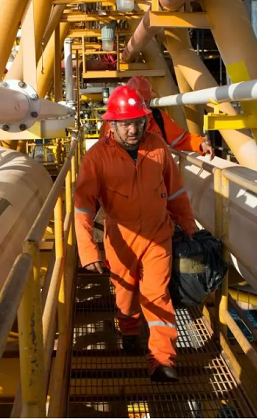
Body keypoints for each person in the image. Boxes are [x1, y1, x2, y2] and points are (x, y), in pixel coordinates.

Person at [75, 85, 198, 383]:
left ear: (145, 120)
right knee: (126, 295)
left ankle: (162, 359)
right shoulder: (96, 158)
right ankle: (129, 330)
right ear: (112, 124)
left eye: (138, 122)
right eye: (126, 124)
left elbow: (176, 191)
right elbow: (83, 207)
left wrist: (188, 224)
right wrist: (88, 250)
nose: (133, 130)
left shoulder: (157, 146)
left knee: (158, 295)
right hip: (121, 241)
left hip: (158, 236)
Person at [98, 76, 215, 160]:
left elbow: (180, 138)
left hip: (153, 175)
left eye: (146, 101)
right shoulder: (112, 122)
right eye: (142, 101)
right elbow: (103, 151)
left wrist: (200, 144)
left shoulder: (158, 117)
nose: (144, 105)